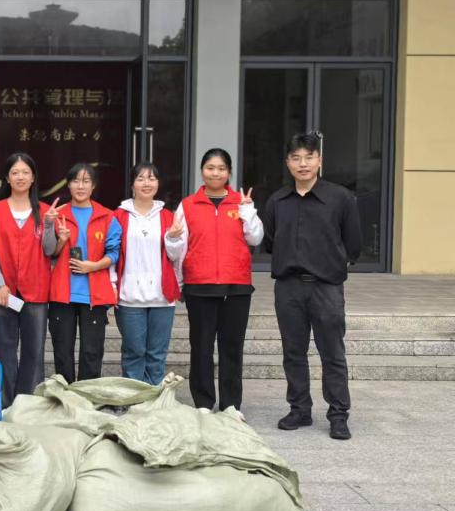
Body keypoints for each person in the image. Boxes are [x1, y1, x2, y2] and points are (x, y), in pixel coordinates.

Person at [263, 132, 362, 440]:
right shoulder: (277, 201)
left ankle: (338, 414)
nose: (303, 164)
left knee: (332, 353)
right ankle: (299, 409)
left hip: (326, 288)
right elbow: (270, 242)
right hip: (288, 288)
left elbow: (354, 245)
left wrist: (331, 264)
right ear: (287, 163)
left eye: (309, 157)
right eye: (296, 158)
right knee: (293, 352)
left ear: (319, 160)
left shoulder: (340, 198)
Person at [165, 148, 263, 416]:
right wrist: (171, 238)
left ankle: (231, 404)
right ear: (202, 171)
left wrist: (248, 212)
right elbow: (176, 251)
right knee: (201, 347)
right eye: (210, 168)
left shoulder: (241, 203)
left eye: (221, 168)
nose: (215, 173)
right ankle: (203, 403)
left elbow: (255, 238)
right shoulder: (187, 205)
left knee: (232, 348)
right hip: (199, 285)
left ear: (229, 172)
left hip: (236, 286)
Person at [0, 152, 58, 406]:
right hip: (4, 291)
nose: (20, 177)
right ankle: (6, 403)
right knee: (4, 348)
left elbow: (50, 250)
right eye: (15, 172)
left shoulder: (45, 211)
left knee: (34, 350)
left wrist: (50, 225)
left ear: (33, 177)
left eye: (25, 172)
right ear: (7, 177)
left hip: (36, 289)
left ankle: (29, 403)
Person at [49, 162, 121, 382]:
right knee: (62, 350)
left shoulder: (107, 216)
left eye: (86, 181)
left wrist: (94, 266)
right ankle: (65, 395)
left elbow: (114, 252)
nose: (80, 186)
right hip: (62, 292)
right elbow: (49, 253)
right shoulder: (56, 215)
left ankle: (87, 396)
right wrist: (60, 241)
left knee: (92, 352)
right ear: (68, 185)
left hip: (94, 293)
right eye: (75, 181)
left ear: (93, 186)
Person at [113, 162, 181, 385]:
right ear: (132, 184)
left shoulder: (168, 216)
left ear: (158, 183)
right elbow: (112, 254)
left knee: (157, 355)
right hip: (129, 296)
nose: (146, 183)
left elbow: (175, 255)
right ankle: (134, 397)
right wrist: (112, 285)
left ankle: (153, 398)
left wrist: (172, 238)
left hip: (162, 297)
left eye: (151, 178)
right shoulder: (119, 216)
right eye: (140, 178)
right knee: (133, 352)